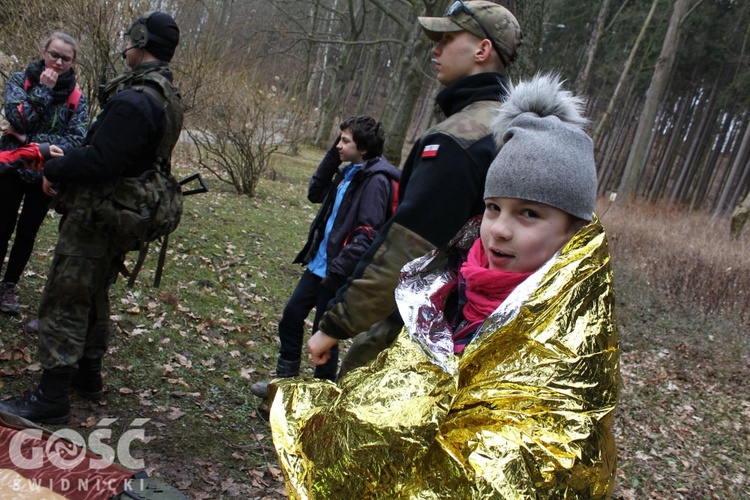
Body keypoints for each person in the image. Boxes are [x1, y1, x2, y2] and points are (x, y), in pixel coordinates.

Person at [270, 73, 620, 498]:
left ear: (573, 231)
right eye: (493, 208)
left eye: (528, 214)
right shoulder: (445, 290)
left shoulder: (572, 340)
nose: (500, 230)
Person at [308, 0, 523, 378]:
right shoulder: (518, 129)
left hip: (419, 329)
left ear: (482, 50)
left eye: (446, 38)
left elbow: (407, 249)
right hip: (484, 330)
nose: (434, 49)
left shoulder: (457, 139)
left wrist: (335, 325)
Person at [0, 11, 182, 424]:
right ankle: (88, 374)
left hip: (101, 213)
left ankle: (50, 397)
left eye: (130, 37)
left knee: (67, 295)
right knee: (96, 291)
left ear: (140, 40)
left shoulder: (137, 99)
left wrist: (56, 167)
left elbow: (103, 160)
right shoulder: (164, 94)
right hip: (123, 210)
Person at [250, 116, 401, 399]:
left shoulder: (376, 181)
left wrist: (337, 274)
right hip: (318, 266)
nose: (338, 145)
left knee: (326, 338)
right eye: (339, 139)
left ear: (364, 148)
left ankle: (321, 400)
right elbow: (315, 193)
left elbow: (367, 234)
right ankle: (283, 389)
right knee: (291, 318)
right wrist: (333, 156)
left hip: (337, 273)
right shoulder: (348, 172)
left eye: (345, 141)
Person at [0, 32, 88, 316]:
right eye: (54, 54)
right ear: (43, 52)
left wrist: (28, 141)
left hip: (45, 176)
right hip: (11, 168)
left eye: (65, 58)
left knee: (28, 232)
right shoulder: (20, 80)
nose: (58, 62)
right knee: (2, 225)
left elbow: (75, 141)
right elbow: (16, 117)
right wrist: (43, 90)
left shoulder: (76, 96)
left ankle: (8, 286)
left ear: (73, 62)